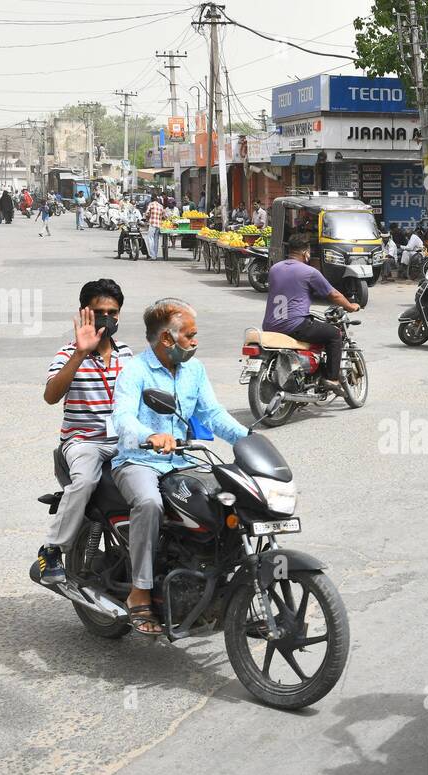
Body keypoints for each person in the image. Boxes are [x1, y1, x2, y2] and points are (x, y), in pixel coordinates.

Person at [111, 298, 247, 634]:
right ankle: (140, 592)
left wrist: (247, 439)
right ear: (166, 340)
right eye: (190, 335)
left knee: (226, 500)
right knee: (149, 503)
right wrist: (150, 434)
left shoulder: (194, 371)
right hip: (138, 460)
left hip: (181, 462)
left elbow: (211, 414)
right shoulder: (135, 372)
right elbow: (123, 418)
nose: (195, 341)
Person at [33, 280, 135, 585]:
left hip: (124, 441)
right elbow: (51, 396)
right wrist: (80, 353)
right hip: (84, 441)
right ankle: (51, 550)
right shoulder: (67, 354)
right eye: (99, 311)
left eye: (112, 312)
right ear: (84, 313)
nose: (107, 318)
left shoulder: (127, 355)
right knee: (85, 481)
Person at [261, 232, 360, 392]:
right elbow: (333, 294)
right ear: (305, 252)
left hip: (270, 324)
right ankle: (332, 380)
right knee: (334, 335)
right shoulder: (309, 272)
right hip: (294, 325)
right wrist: (350, 306)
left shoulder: (274, 269)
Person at [144, 194, 165, 259]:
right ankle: (155, 255)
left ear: (152, 199)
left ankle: (152, 255)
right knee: (156, 239)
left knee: (150, 238)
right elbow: (164, 216)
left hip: (152, 223)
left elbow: (147, 213)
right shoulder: (161, 206)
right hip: (159, 224)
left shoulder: (151, 204)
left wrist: (147, 218)